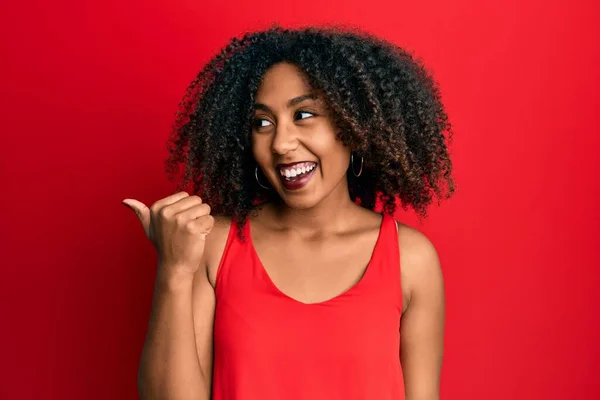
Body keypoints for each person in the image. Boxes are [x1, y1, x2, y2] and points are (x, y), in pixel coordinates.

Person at [123, 24, 454, 400]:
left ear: (354, 126)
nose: (281, 143)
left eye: (304, 115)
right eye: (262, 123)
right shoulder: (215, 245)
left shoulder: (410, 259)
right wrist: (175, 270)